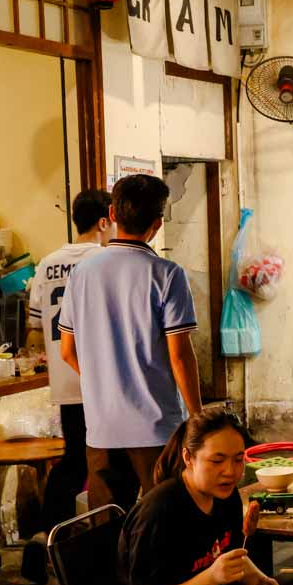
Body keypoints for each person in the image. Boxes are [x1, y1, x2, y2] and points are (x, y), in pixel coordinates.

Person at [60, 174, 203, 510]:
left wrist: (103, 384)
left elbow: (67, 351)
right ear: (157, 223)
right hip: (156, 429)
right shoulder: (167, 274)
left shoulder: (81, 274)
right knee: (167, 522)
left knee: (105, 530)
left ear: (111, 214)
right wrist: (197, 416)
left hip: (101, 428)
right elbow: (180, 357)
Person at [118, 408, 283, 585]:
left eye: (238, 459)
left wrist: (262, 581)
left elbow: (228, 554)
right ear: (188, 457)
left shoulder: (224, 496)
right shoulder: (158, 513)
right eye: (217, 461)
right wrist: (212, 577)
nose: (230, 472)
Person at [21, 189, 114, 584]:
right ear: (105, 220)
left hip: (66, 381)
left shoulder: (46, 264)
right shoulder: (106, 261)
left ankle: (47, 535)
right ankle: (104, 549)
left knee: (75, 458)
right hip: (106, 380)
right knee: (111, 465)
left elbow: (33, 334)